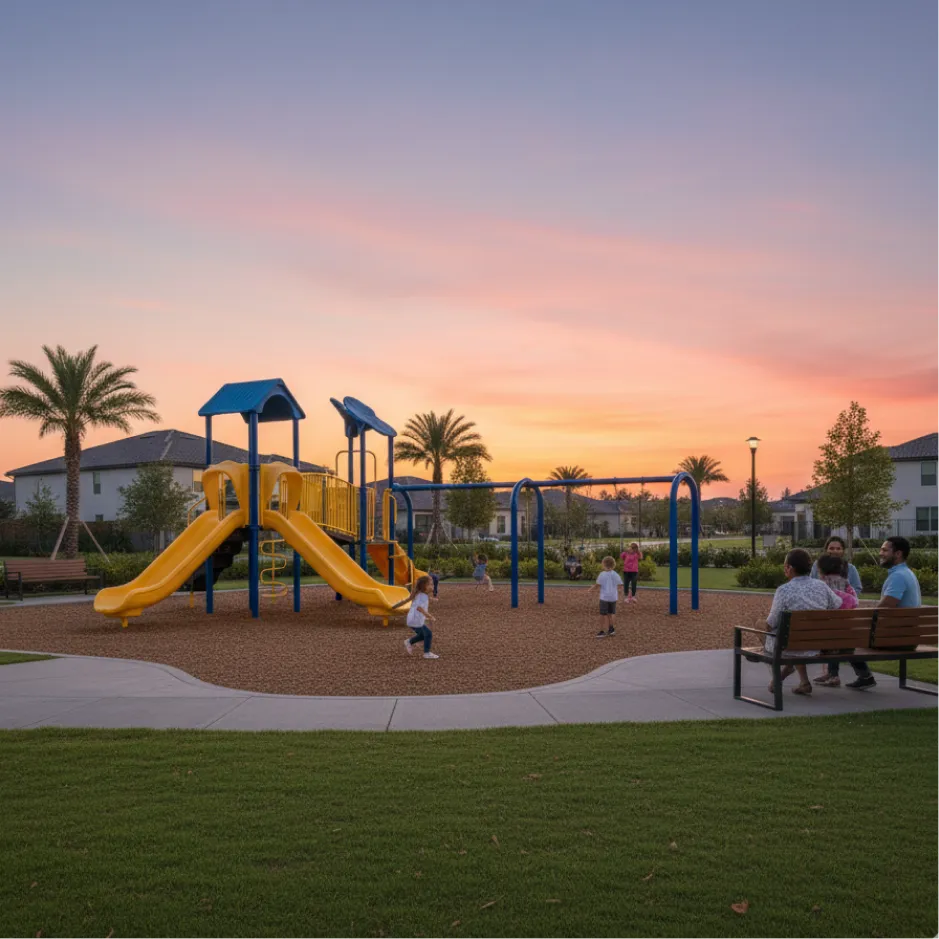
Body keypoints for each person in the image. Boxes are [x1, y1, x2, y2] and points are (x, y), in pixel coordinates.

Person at [842, 536, 922, 691]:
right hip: (907, 636)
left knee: (844, 636)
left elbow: (885, 608)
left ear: (898, 554)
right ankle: (860, 676)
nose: (880, 553)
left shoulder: (898, 576)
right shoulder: (906, 573)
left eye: (885, 550)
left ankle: (863, 676)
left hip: (897, 639)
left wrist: (860, 616)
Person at [765, 548, 842, 696]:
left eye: (785, 565)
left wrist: (761, 623)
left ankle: (787, 666)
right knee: (796, 636)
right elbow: (837, 606)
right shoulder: (821, 586)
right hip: (817, 643)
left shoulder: (784, 590)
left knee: (765, 627)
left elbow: (771, 623)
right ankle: (803, 682)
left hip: (791, 645)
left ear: (790, 568)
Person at [812, 554, 860, 688]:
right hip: (848, 633)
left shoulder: (823, 585)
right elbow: (855, 602)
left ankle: (833, 676)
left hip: (829, 636)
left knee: (831, 638)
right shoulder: (847, 584)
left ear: (822, 571)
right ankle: (864, 674)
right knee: (845, 646)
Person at [404, 575, 439, 659]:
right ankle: (427, 653)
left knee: (423, 635)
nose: (432, 586)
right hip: (415, 620)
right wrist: (429, 616)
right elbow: (419, 608)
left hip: (414, 619)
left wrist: (431, 599)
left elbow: (421, 601)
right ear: (424, 586)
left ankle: (409, 641)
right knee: (428, 634)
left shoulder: (422, 595)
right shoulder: (422, 596)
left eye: (432, 584)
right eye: (430, 584)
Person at [591, 556, 623, 638]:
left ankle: (601, 631)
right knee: (611, 613)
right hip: (613, 597)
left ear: (603, 564)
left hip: (604, 597)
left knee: (602, 614)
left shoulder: (602, 574)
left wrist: (591, 589)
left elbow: (598, 585)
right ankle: (611, 629)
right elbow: (620, 585)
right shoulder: (615, 574)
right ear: (613, 565)